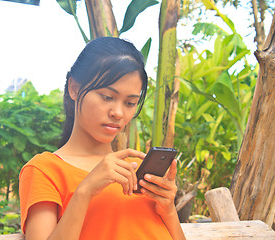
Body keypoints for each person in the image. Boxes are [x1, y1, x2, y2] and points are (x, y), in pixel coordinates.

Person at [19, 37, 186, 240]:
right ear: (74, 88)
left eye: (130, 102)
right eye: (107, 97)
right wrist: (85, 191)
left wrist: (167, 209)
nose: (118, 112)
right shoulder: (45, 170)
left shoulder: (139, 170)